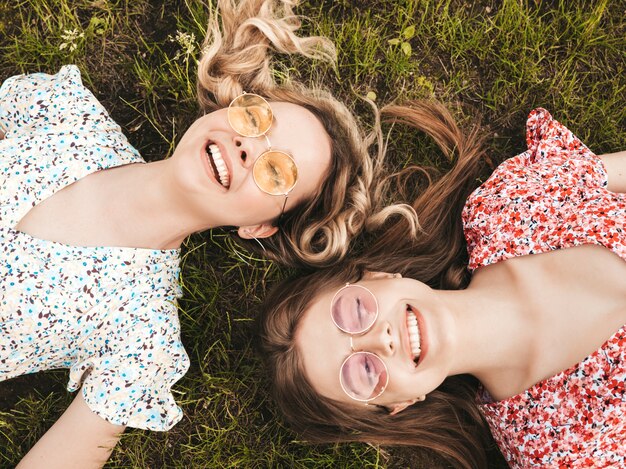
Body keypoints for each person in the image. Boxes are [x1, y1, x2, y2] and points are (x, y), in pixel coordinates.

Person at [0, 0, 417, 467]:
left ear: (258, 226)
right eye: (258, 120)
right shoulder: (69, 118)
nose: (248, 147)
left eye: (276, 171)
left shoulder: (141, 334)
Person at [259, 102, 626, 468]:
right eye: (363, 372)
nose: (380, 339)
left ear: (378, 277)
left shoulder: (503, 208)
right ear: (399, 405)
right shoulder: (558, 452)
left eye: (355, 311)